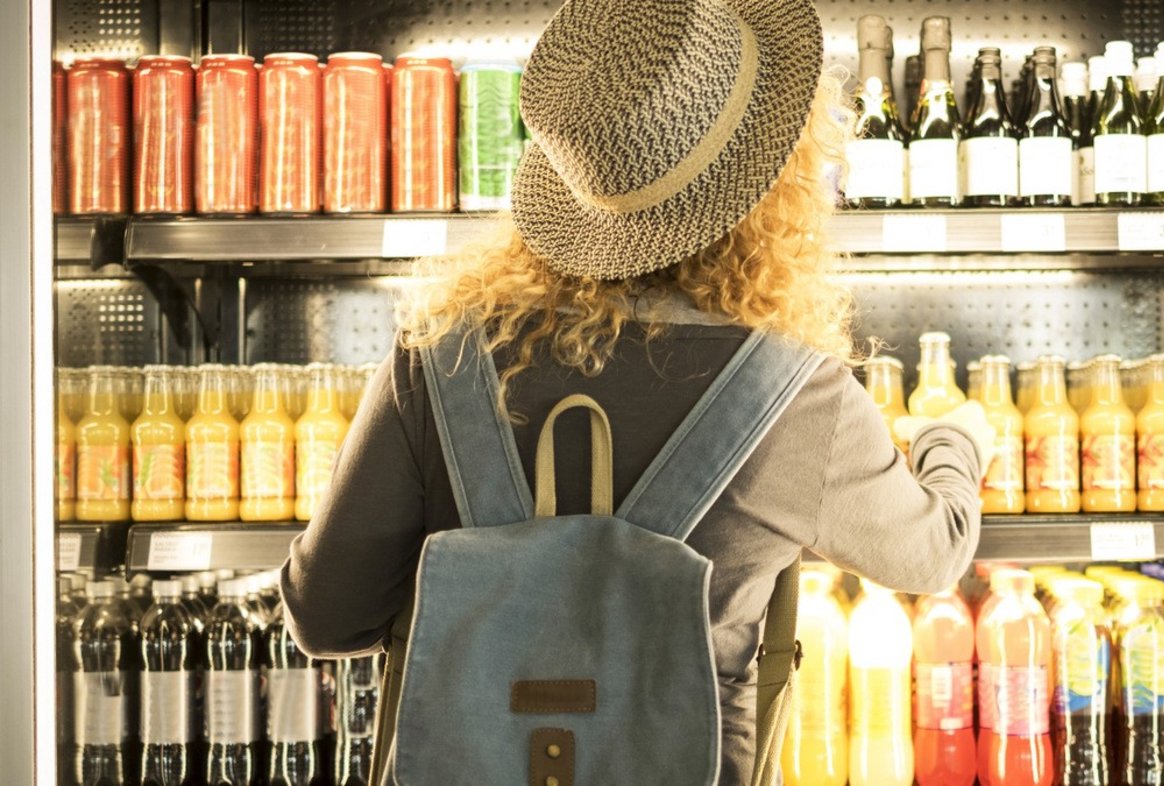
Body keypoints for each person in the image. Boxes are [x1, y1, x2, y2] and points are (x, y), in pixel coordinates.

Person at [279, 0, 994, 782]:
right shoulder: (793, 392)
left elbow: (327, 617)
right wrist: (954, 439)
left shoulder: (440, 360)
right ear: (774, 181)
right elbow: (931, 553)